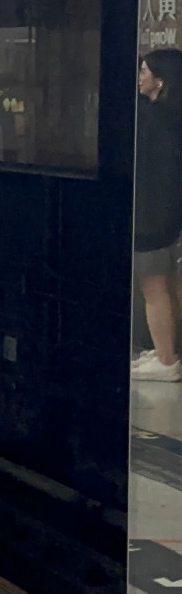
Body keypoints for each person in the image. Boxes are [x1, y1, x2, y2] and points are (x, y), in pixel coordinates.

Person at [132, 49, 182, 382]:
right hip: (168, 216)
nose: (139, 78)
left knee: (153, 287)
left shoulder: (151, 119)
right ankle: (166, 350)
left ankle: (165, 360)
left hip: (150, 216)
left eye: (144, 71)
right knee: (165, 285)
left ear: (160, 80)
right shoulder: (172, 117)